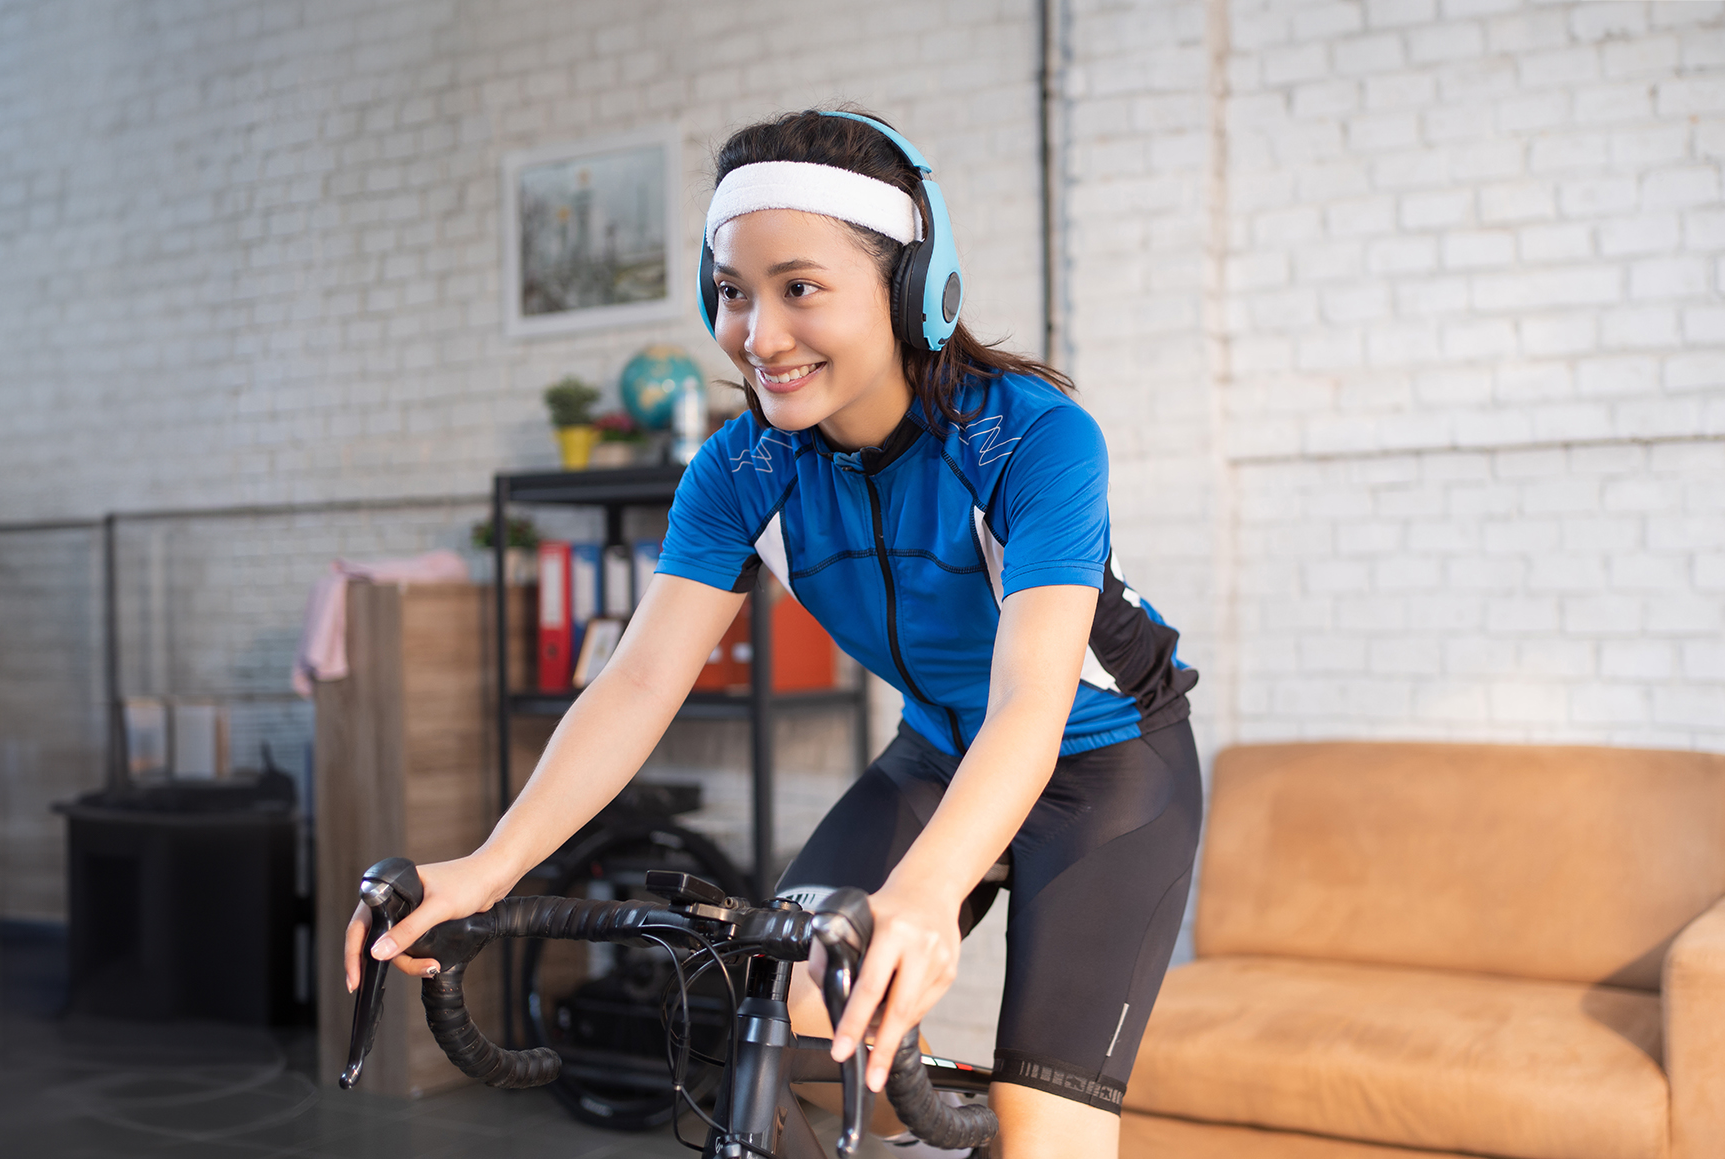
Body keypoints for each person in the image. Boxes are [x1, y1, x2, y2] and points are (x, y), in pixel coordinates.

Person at [347, 107, 1201, 1159]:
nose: (757, 334)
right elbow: (637, 682)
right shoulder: (741, 471)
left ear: (911, 290)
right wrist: (491, 865)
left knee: (1041, 1137)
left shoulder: (1031, 439)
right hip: (936, 752)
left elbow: (1031, 697)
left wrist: (924, 895)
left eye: (799, 288)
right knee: (779, 1027)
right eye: (732, 291)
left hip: (1109, 772)